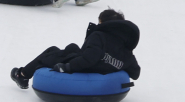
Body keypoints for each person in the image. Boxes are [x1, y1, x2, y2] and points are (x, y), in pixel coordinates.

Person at [9, 9, 140, 89]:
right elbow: (135, 73)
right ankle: (24, 74)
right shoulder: (126, 49)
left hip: (84, 69)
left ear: (103, 24)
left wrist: (67, 67)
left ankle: (22, 74)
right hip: (97, 66)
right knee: (72, 47)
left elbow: (89, 59)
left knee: (52, 51)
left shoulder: (99, 36)